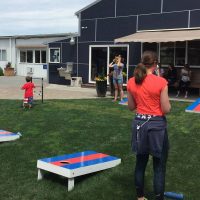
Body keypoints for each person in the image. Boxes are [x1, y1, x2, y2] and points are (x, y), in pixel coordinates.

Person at [127, 51, 171, 200]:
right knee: (158, 166)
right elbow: (166, 109)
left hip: (139, 124)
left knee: (140, 163)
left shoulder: (132, 81)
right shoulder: (161, 82)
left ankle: (140, 197)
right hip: (156, 126)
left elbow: (131, 106)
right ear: (155, 64)